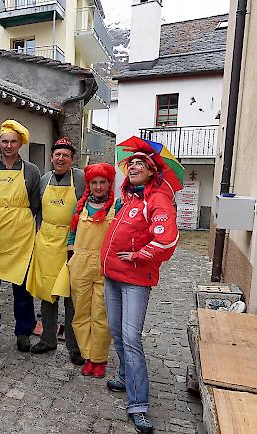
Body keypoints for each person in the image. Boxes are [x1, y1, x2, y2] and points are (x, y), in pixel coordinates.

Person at [100, 138, 179, 434]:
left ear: (152, 171)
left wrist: (138, 255)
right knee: (116, 331)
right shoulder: (130, 197)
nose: (133, 166)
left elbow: (167, 239)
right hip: (113, 276)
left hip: (135, 280)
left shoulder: (157, 199)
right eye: (130, 163)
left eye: (140, 163)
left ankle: (139, 405)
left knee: (132, 339)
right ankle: (123, 374)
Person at [0, 119, 40, 352]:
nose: (8, 145)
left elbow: (35, 203)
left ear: (20, 144)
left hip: (20, 236)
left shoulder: (31, 170)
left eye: (13, 141)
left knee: (22, 288)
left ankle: (23, 331)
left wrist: (19, 219)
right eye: (4, 141)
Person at [27, 137, 86, 365]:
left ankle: (74, 346)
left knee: (71, 296)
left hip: (72, 242)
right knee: (47, 292)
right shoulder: (44, 179)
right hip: (47, 243)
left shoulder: (80, 179)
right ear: (51, 158)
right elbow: (36, 207)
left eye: (66, 155)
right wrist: (40, 225)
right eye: (57, 155)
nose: (61, 159)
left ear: (72, 160)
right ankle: (48, 339)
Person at [66, 163, 116, 379]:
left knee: (101, 315)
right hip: (81, 265)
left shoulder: (117, 206)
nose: (98, 186)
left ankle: (100, 358)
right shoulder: (81, 206)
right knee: (81, 313)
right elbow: (71, 235)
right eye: (94, 182)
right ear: (89, 184)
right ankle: (87, 356)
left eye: (102, 182)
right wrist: (71, 257)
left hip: (105, 266)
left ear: (109, 184)